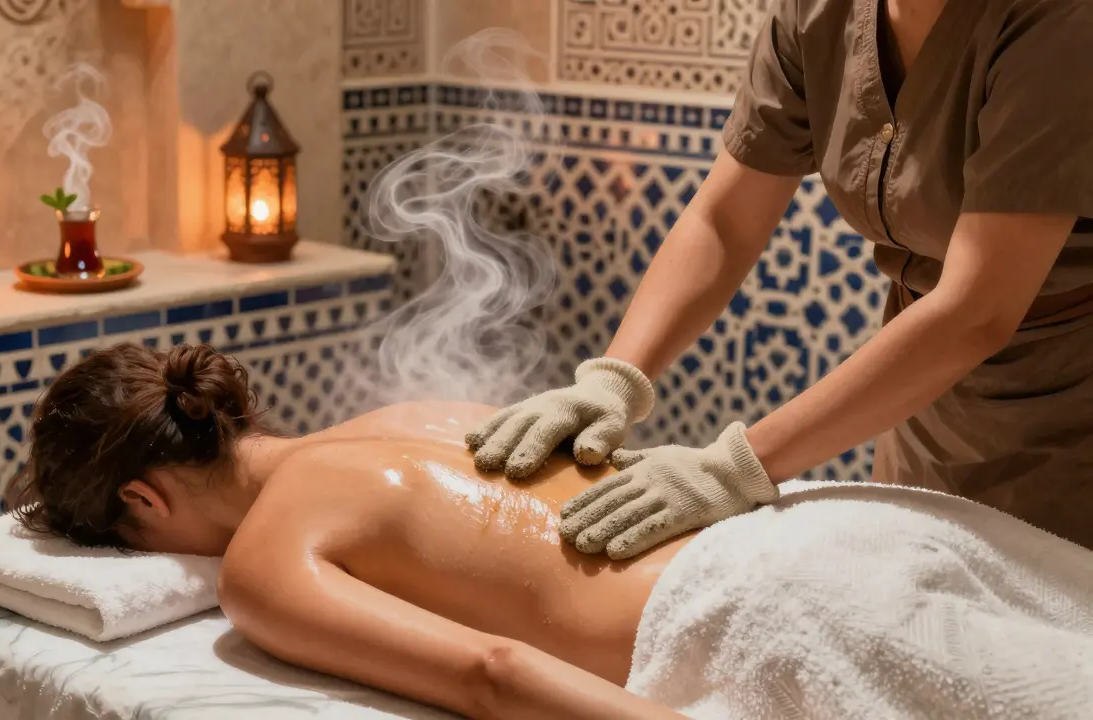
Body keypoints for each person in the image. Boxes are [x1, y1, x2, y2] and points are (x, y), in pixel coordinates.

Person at [11, 343, 1093, 719]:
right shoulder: (407, 416)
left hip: (772, 613)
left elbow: (489, 673)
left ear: (144, 502)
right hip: (832, 523)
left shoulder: (262, 565)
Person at [467, 0, 1093, 556]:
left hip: (1070, 411)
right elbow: (726, 221)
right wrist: (614, 379)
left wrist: (734, 468)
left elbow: (975, 311)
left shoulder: (1061, 24)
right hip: (925, 398)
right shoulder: (820, 15)